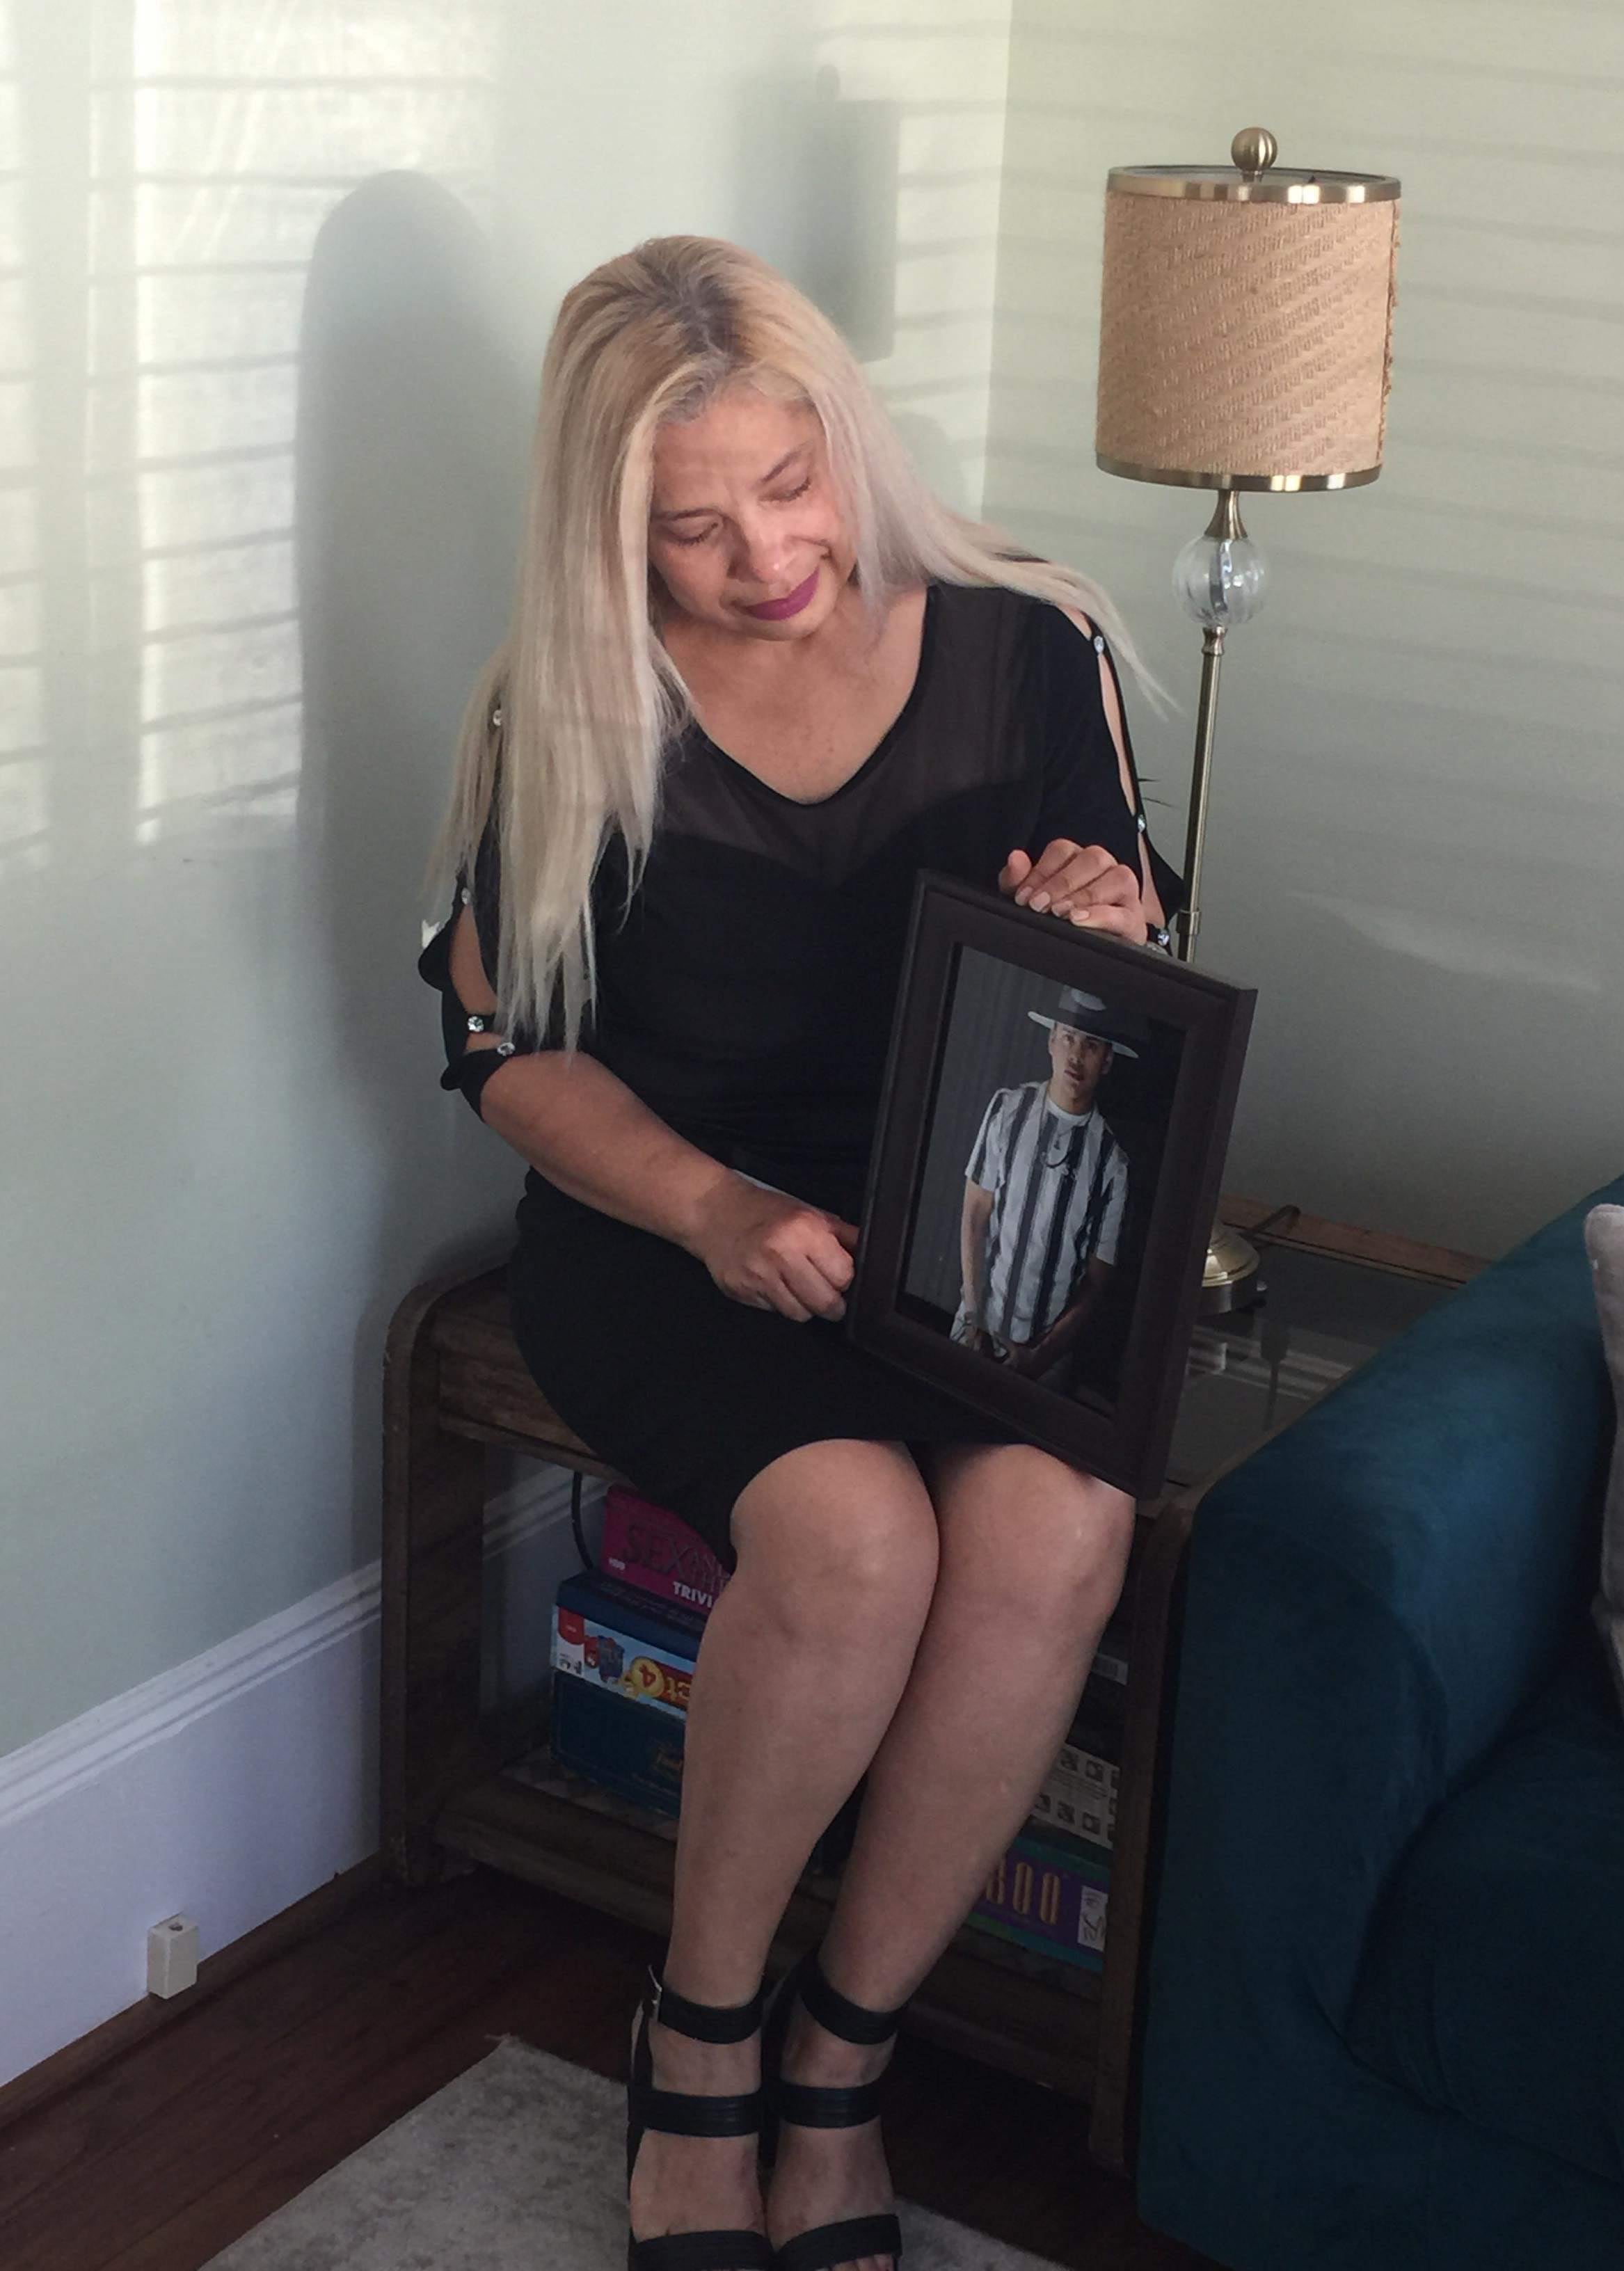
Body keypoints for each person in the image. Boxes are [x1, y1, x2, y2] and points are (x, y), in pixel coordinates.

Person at [419, 236, 1179, 2271]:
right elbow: (499, 1053)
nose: (768, 551)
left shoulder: (1033, 640)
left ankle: (844, 2057)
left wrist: (1104, 925)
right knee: (853, 1541)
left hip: (971, 1219)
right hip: (667, 1213)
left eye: (796, 480)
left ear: (849, 437)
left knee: (1056, 1531)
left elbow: (1135, 962)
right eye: (692, 522)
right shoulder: (565, 707)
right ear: (610, 525)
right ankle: (706, 2037)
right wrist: (714, 1207)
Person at [953, 987, 1134, 1380]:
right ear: (1052, 1040)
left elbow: (1097, 1280)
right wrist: (973, 1317)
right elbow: (975, 1214)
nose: (1076, 1055)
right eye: (1068, 1037)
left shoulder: (1112, 1163)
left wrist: (1042, 1355)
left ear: (1106, 1061)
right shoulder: (1007, 1109)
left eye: (1091, 1045)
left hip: (1047, 1356)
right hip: (977, 1326)